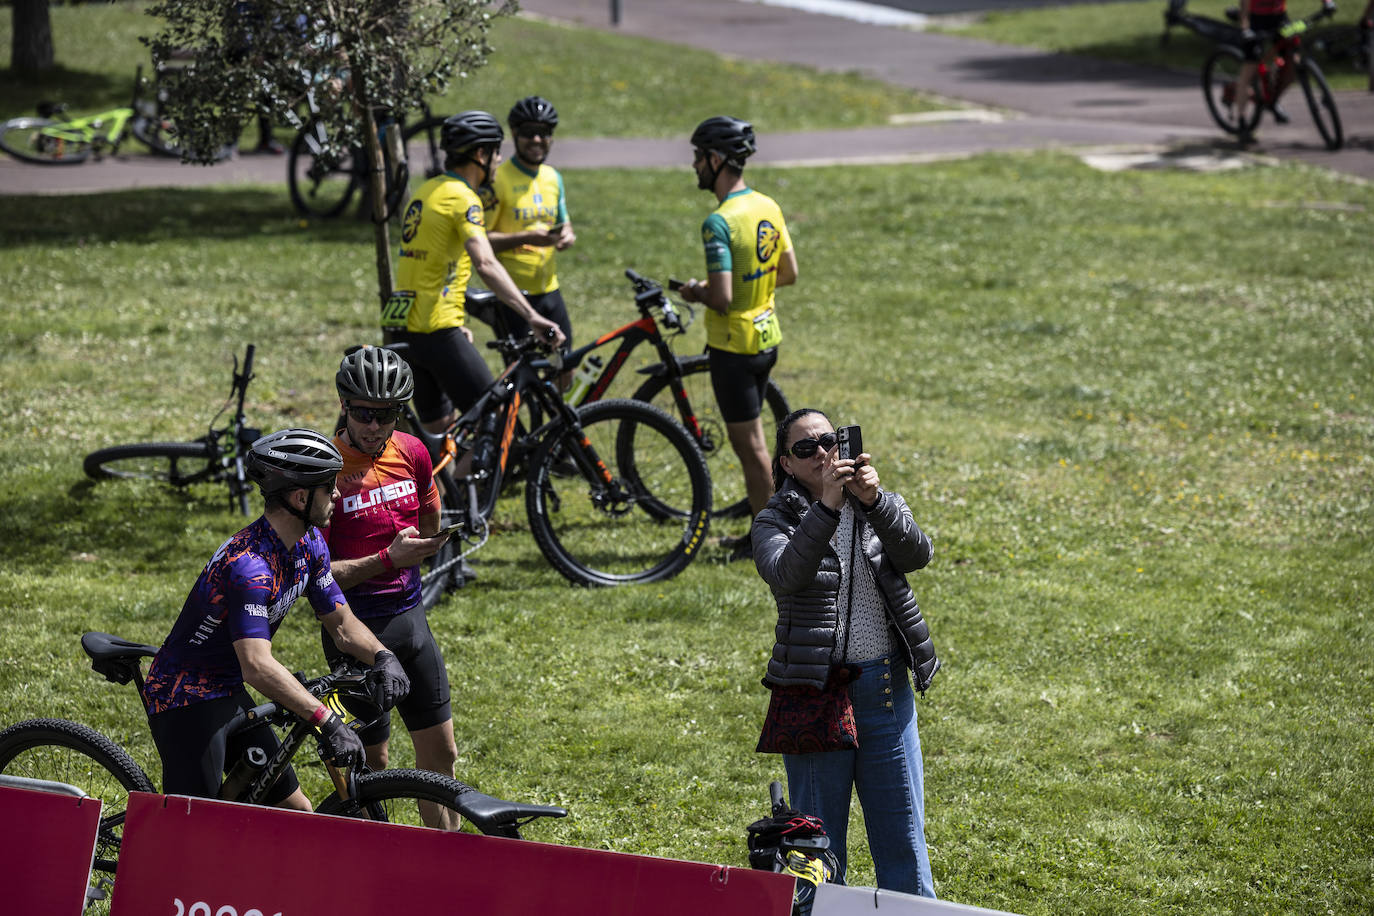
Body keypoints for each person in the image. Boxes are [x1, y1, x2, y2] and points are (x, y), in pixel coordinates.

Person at [142, 428, 411, 810]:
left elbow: (341, 624)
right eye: (328, 486)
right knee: (193, 828)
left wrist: (384, 656)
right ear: (301, 497)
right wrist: (326, 721)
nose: (336, 494)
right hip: (186, 697)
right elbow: (257, 665)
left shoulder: (309, 542)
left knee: (295, 812)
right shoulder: (248, 567)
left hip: (227, 688)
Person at [750, 408, 939, 897]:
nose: (820, 453)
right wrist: (828, 507)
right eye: (804, 449)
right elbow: (787, 574)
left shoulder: (877, 503)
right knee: (816, 849)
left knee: (904, 844)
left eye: (827, 441)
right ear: (787, 464)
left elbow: (918, 554)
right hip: (817, 694)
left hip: (883, 689)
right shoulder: (774, 520)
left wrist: (874, 501)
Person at [321, 346, 459, 825]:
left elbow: (428, 518)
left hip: (410, 621)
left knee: (442, 759)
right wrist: (386, 560)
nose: (375, 426)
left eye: (388, 415)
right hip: (354, 634)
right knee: (371, 766)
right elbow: (315, 577)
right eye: (364, 414)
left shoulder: (413, 451)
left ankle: (445, 872)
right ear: (344, 404)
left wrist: (426, 543)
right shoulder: (325, 470)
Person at [385, 110, 566, 437]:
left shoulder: (428, 190)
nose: (499, 161)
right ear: (481, 154)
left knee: (438, 432)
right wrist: (532, 316)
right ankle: (467, 487)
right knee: (495, 414)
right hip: (437, 328)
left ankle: (444, 489)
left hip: (405, 327)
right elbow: (486, 263)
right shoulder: (464, 198)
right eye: (496, 152)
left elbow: (431, 263)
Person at [677, 116, 797, 558]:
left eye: (697, 157)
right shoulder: (768, 205)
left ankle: (769, 542)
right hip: (767, 336)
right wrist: (756, 288)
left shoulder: (719, 222)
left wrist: (696, 292)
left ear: (715, 159)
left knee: (752, 450)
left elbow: (723, 297)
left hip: (734, 346)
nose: (694, 166)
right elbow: (789, 273)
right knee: (759, 444)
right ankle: (769, 531)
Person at [484, 96, 576, 352]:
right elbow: (481, 241)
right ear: (514, 134)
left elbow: (563, 223)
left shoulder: (552, 177)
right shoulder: (497, 179)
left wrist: (567, 235)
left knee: (565, 364)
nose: (536, 140)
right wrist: (526, 238)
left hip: (549, 288)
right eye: (528, 133)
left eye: (543, 133)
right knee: (523, 375)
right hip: (512, 294)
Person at [1233, 0, 1299, 136]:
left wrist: (1327, 3)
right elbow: (1244, 6)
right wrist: (1245, 29)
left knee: (1293, 63)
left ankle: (1273, 101)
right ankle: (1241, 119)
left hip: (1280, 18)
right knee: (1249, 69)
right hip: (1256, 21)